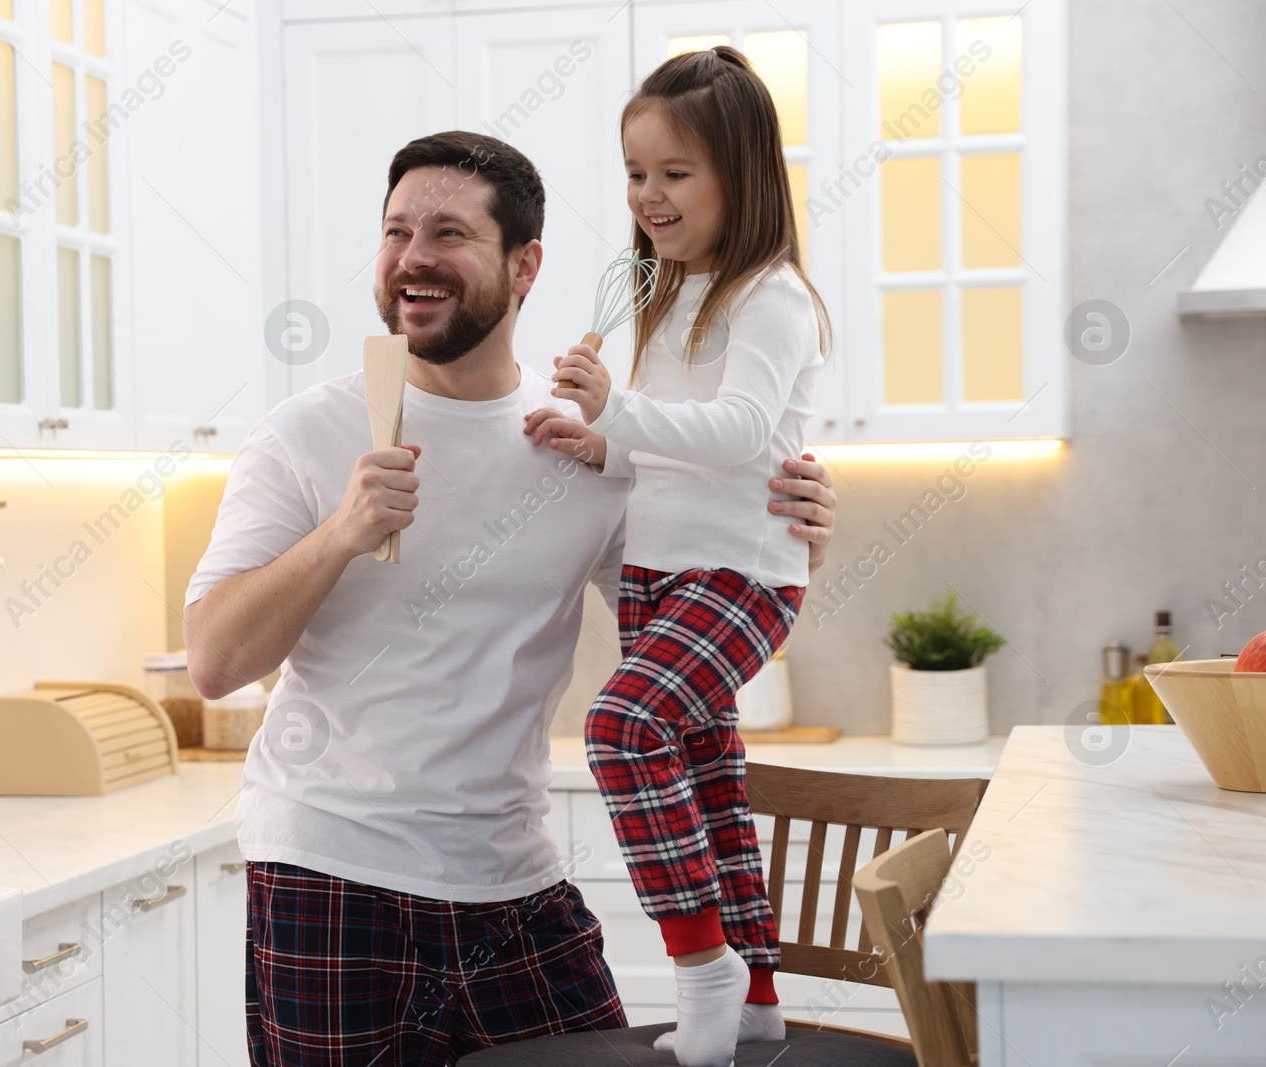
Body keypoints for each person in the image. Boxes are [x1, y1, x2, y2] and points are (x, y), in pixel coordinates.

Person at [183, 129, 838, 1067]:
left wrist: (789, 521)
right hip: (330, 872)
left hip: (515, 881)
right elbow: (214, 660)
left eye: (448, 233)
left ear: (525, 264)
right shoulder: (304, 434)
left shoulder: (582, 446)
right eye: (397, 231)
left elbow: (691, 613)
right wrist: (341, 532)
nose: (414, 258)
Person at [522, 46, 831, 1067]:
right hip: (660, 569)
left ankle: (699, 967)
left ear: (740, 176)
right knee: (704, 771)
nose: (649, 195)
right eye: (635, 173)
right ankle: (755, 997)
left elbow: (741, 432)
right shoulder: (667, 291)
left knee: (619, 728)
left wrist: (618, 404)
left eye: (675, 172)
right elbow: (677, 449)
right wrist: (603, 443)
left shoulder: (770, 295)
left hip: (741, 574)